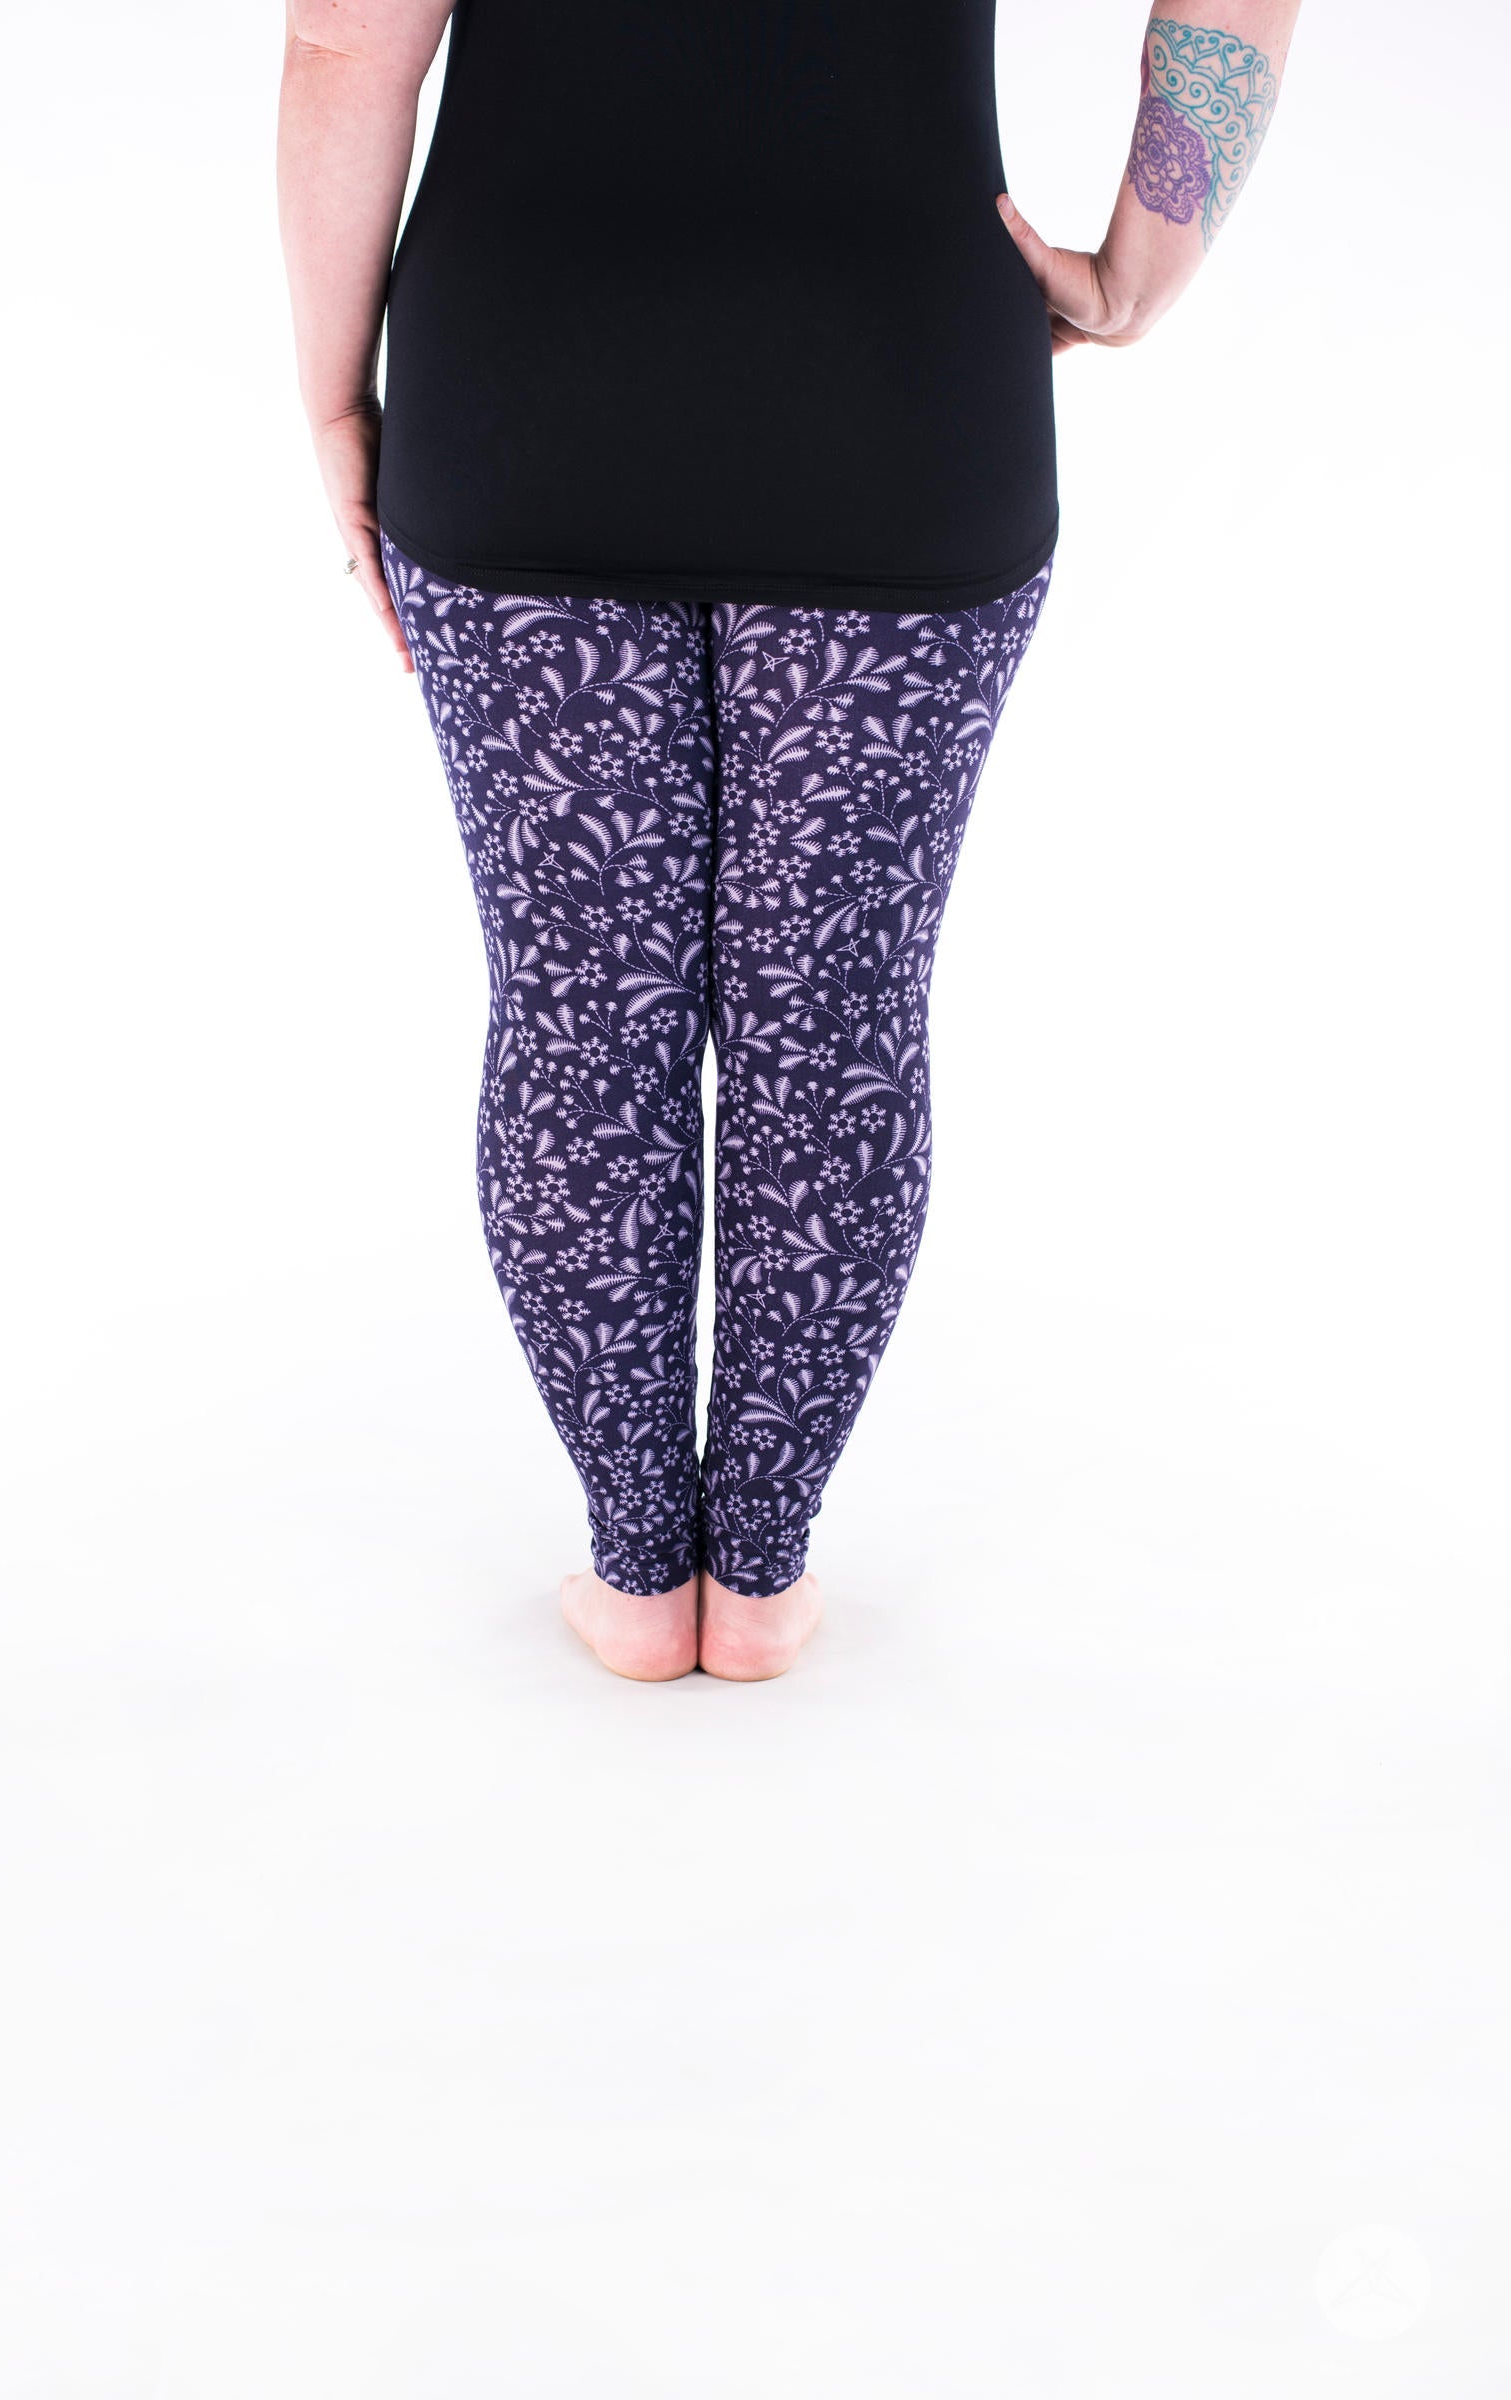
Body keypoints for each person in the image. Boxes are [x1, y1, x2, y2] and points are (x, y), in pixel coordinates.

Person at [277, 0, 1301, 1683]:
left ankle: (636, 1572)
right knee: (836, 1016)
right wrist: (1142, 266)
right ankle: (757, 1579)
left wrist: (335, 400)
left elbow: (343, 47)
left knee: (581, 1013)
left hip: (525, 380)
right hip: (901, 383)